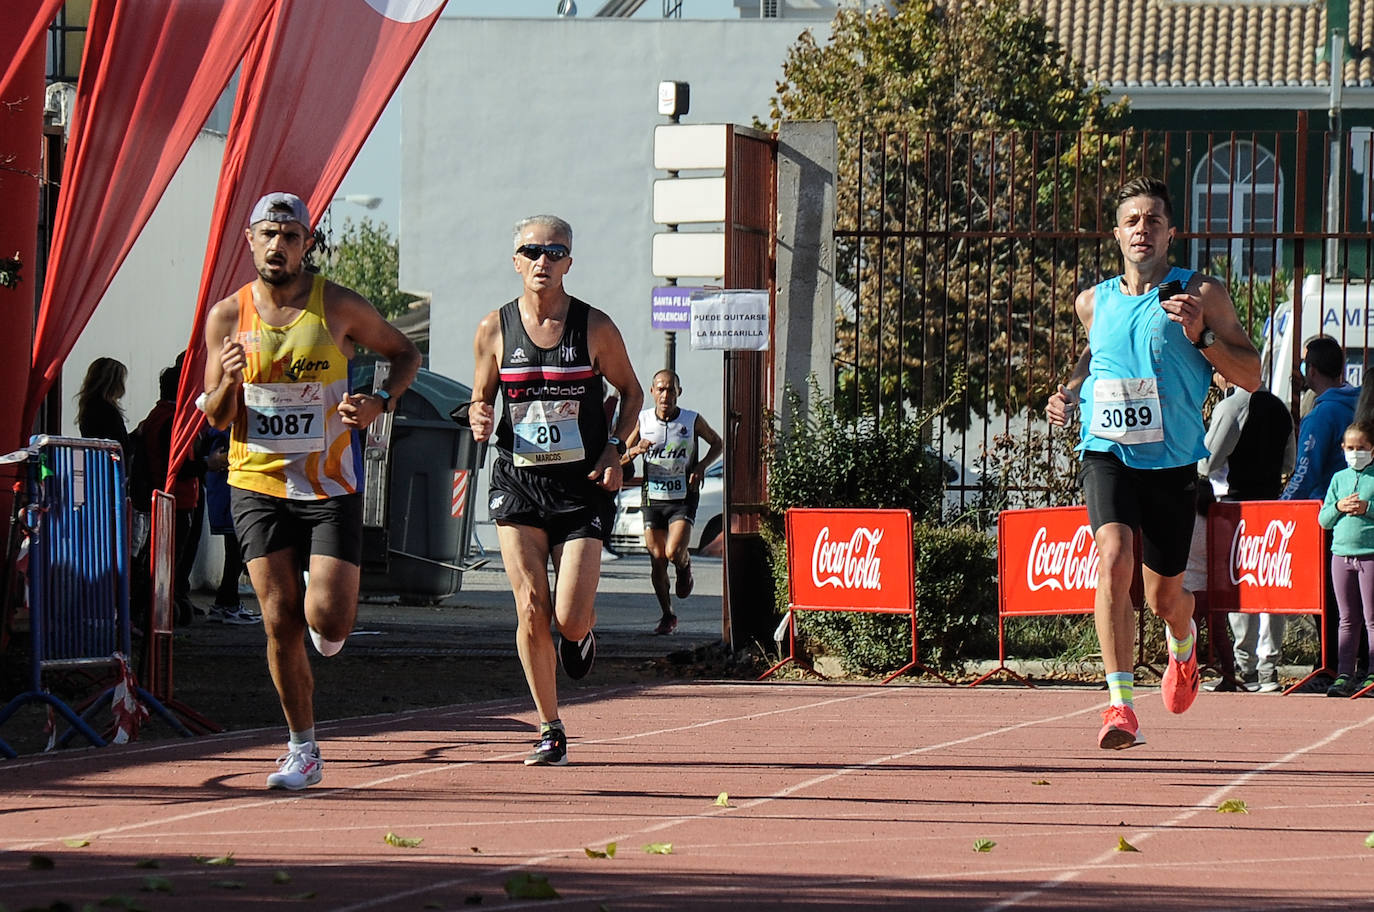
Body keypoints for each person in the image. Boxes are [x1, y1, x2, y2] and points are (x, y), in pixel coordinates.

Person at [202, 191, 420, 790]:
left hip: (328, 483)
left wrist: (380, 400)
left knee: (329, 621)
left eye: (290, 235)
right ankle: (303, 747)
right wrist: (228, 381)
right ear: (249, 241)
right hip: (257, 481)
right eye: (268, 234)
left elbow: (404, 352)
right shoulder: (227, 317)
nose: (278, 245)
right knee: (278, 619)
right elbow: (216, 417)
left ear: (307, 244)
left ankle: (327, 621)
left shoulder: (339, 308)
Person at [1046, 176, 1260, 750]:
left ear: (1172, 232)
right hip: (1106, 450)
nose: (1143, 229)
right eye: (1132, 220)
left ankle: (1183, 644)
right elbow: (1093, 360)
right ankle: (1120, 707)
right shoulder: (1092, 301)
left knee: (1165, 596)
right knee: (1112, 556)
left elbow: (1253, 376)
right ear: (1117, 233)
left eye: (1154, 220)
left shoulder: (1202, 293)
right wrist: (1067, 394)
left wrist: (1202, 336)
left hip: (1170, 464)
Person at [467, 214, 642, 766]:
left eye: (555, 252)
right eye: (532, 251)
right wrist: (478, 414)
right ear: (515, 259)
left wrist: (615, 446)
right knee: (529, 607)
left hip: (583, 484)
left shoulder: (595, 327)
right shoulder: (493, 329)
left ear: (569, 261)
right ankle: (549, 726)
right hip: (518, 481)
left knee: (567, 616)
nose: (543, 262)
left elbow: (632, 393)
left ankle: (580, 636)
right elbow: (482, 396)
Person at [1198, 370, 1295, 692]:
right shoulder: (1280, 407)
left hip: (1235, 507)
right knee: (1269, 587)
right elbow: (1287, 463)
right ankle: (1269, 668)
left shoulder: (1232, 406)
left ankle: (1245, 668)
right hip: (1271, 505)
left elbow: (1205, 463)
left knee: (1238, 585)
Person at [1282, 336, 1361, 688]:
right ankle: (1357, 663)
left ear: (1310, 370)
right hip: (1362, 514)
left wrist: (1282, 507)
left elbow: (1305, 470)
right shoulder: (1360, 404)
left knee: (1330, 596)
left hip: (1328, 516)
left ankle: (1330, 666)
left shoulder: (1323, 413)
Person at [621, 369, 722, 634]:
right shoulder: (643, 420)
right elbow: (620, 457)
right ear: (652, 392)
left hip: (682, 497)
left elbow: (717, 443)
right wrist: (635, 450)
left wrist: (700, 466)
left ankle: (685, 565)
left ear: (679, 392)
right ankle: (668, 615)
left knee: (673, 552)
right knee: (656, 557)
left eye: (671, 389)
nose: (666, 395)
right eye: (661, 389)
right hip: (653, 497)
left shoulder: (691, 420)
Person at [132, 354, 207, 627]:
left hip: (172, 496)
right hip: (178, 496)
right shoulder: (171, 420)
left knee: (162, 555)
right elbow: (174, 465)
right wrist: (210, 463)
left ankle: (152, 606)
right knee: (169, 558)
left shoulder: (159, 416)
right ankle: (150, 609)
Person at [1317, 421, 1374, 697]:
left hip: (1370, 556)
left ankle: (1372, 672)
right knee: (1347, 618)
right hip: (1341, 555)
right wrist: (1339, 506)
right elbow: (1324, 519)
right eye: (1350, 448)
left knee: (1372, 618)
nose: (1355, 453)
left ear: (1372, 448)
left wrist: (1368, 508)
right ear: (1343, 448)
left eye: (1361, 448)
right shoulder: (1338, 479)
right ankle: (1344, 674)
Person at [201, 427, 259, 625]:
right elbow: (224, 458)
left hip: (229, 498)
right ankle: (227, 604)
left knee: (235, 553)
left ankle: (227, 602)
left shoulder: (221, 432)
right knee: (235, 552)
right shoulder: (224, 433)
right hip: (231, 498)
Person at [76, 357, 131, 457]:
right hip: (111, 467)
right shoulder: (108, 411)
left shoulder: (88, 406)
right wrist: (138, 435)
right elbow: (123, 446)